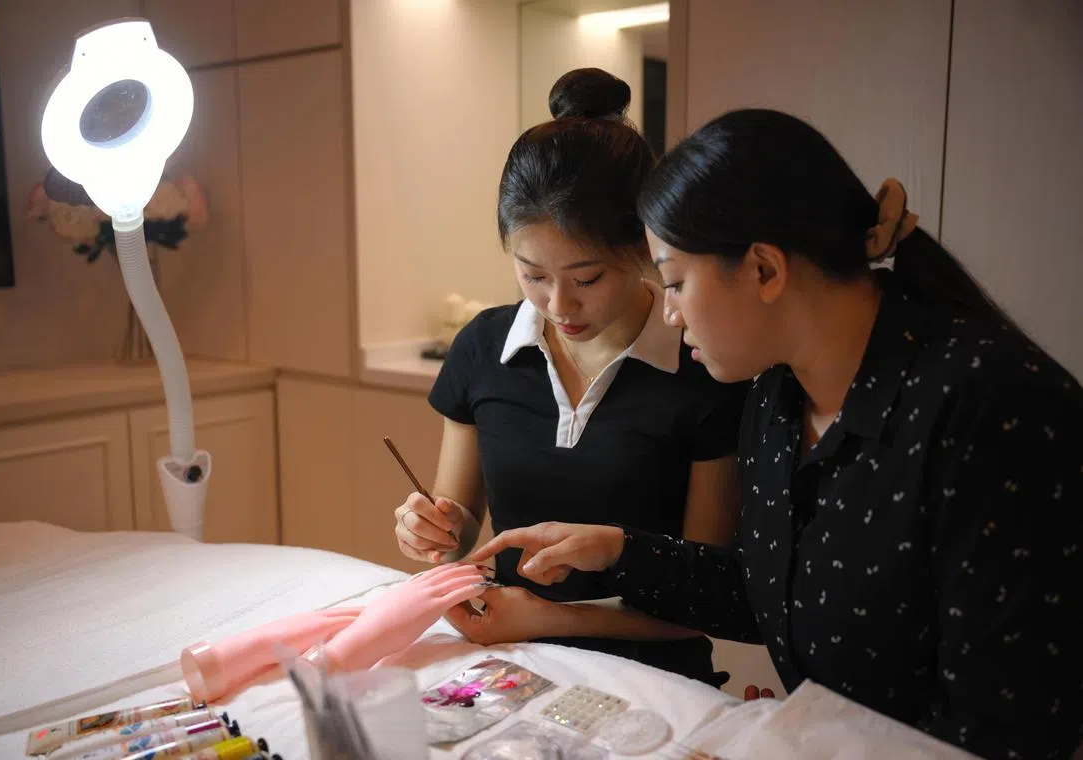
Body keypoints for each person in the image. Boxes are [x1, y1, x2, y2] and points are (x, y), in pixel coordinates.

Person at [468, 108, 1083, 759]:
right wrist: (617, 550)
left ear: (764, 269)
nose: (670, 314)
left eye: (674, 282)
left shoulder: (992, 407)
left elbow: (1010, 729)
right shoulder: (776, 397)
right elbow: (768, 588)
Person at [391, 69, 749, 686]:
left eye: (587, 280)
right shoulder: (485, 348)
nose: (558, 305)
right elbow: (461, 537)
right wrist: (430, 530)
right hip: (507, 668)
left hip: (653, 685)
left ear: (642, 249)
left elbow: (707, 599)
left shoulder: (703, 368)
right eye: (532, 274)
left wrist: (547, 617)